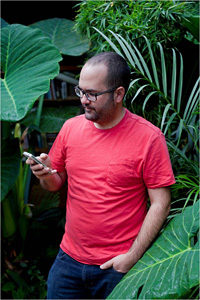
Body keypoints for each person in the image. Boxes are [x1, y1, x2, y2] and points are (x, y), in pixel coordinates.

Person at [26, 52, 176, 299]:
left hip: (117, 268)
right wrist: (43, 174)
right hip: (68, 262)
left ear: (118, 94)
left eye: (92, 94)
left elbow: (161, 203)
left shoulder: (149, 138)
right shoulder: (70, 128)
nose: (84, 100)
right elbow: (55, 183)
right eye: (81, 91)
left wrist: (131, 258)